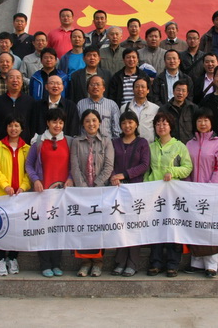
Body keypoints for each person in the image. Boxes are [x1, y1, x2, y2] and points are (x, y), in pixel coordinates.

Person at [25, 108, 74, 278]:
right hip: (43, 193)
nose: (57, 125)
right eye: (54, 122)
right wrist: (35, 180)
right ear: (48, 123)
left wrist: (70, 178)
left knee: (58, 229)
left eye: (61, 122)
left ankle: (56, 263)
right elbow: (29, 164)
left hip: (61, 194)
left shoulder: (69, 142)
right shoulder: (38, 142)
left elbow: (73, 165)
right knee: (44, 229)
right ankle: (45, 264)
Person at [145, 112, 193, 277]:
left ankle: (173, 264)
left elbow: (187, 168)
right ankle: (156, 263)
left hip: (173, 194)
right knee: (156, 229)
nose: (161, 127)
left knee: (173, 228)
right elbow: (147, 170)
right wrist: (146, 186)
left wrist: (173, 171)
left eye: (165, 123)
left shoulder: (179, 146)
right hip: (154, 195)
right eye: (158, 124)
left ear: (171, 126)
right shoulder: (151, 147)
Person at [70, 109, 114, 277]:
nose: (91, 124)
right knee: (84, 227)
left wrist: (96, 186)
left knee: (99, 227)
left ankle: (98, 263)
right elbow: (74, 167)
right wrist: (84, 189)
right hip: (82, 193)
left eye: (94, 120)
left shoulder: (106, 141)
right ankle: (85, 262)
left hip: (101, 192)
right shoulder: (76, 142)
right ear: (83, 124)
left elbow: (109, 166)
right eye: (87, 121)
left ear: (99, 123)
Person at [184, 107, 218, 277]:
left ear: (211, 122)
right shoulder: (189, 144)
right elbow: (187, 168)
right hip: (193, 192)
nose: (203, 123)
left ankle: (211, 265)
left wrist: (210, 188)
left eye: (206, 120)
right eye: (199, 120)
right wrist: (189, 187)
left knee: (210, 228)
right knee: (195, 226)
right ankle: (196, 262)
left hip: (211, 192)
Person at [0, 114, 31, 276]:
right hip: (1, 195)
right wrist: (5, 185)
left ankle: (13, 258)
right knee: (0, 229)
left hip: (20, 196)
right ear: (6, 128)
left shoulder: (27, 149)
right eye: (10, 125)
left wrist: (24, 186)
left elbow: (29, 171)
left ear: (22, 129)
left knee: (16, 229)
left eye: (17, 125)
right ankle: (0, 260)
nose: (13, 129)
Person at [109, 111, 151, 277]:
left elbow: (144, 165)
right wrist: (114, 176)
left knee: (133, 226)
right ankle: (120, 262)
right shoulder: (114, 142)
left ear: (136, 124)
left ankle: (132, 263)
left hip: (135, 189)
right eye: (124, 123)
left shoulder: (142, 143)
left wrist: (125, 174)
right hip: (117, 190)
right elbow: (109, 162)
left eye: (130, 122)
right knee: (120, 226)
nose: (127, 126)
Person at [0, 69, 35, 144]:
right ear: (6, 81)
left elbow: (32, 124)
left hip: (24, 144)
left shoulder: (30, 101)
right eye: (11, 77)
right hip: (2, 143)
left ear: (22, 81)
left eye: (18, 78)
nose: (15, 80)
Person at [119, 77, 159, 143]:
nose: (140, 89)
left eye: (143, 87)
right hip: (130, 145)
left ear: (148, 90)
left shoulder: (155, 108)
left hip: (150, 145)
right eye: (137, 87)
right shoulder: (125, 108)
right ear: (133, 90)